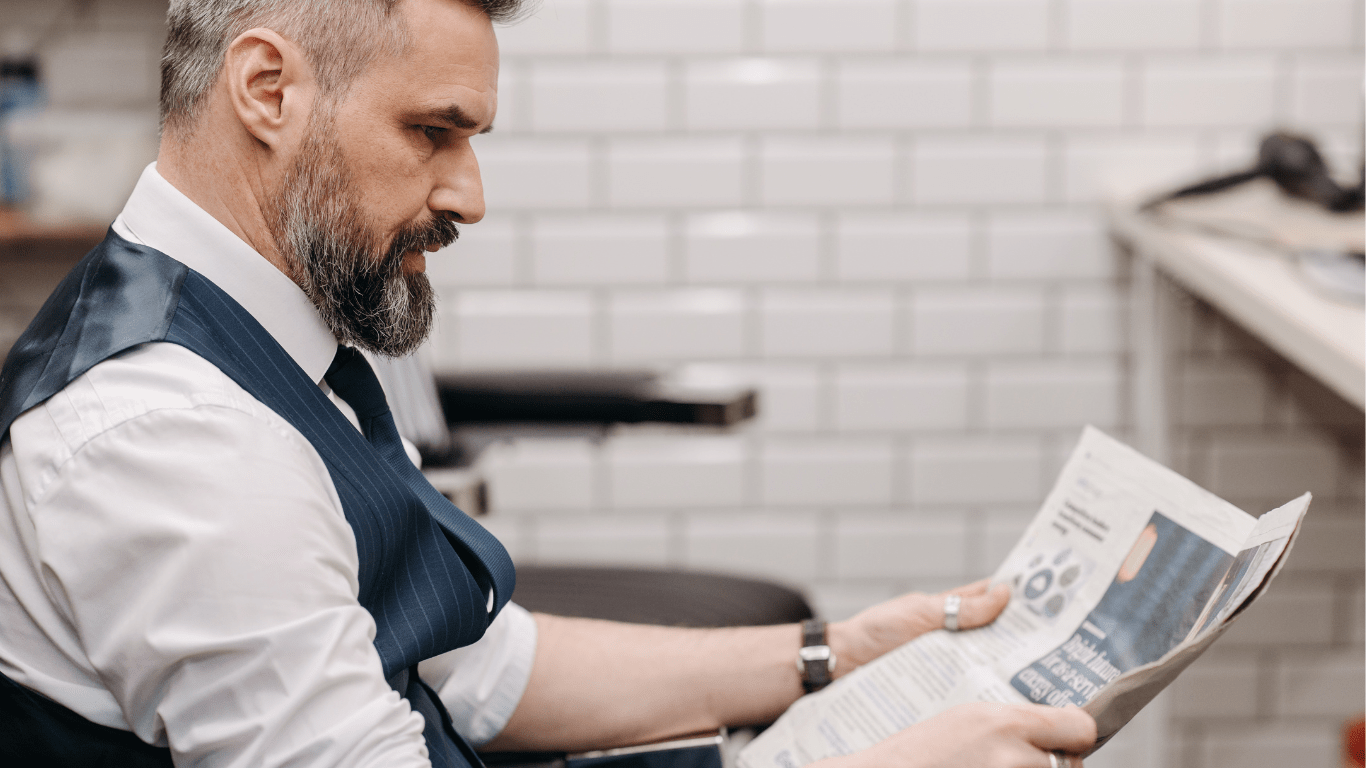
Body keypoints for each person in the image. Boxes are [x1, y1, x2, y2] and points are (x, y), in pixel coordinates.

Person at [0, 0, 1096, 766]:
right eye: (432, 132)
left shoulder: (250, 327)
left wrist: (826, 655)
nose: (468, 195)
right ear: (267, 89)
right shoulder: (171, 438)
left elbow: (476, 663)